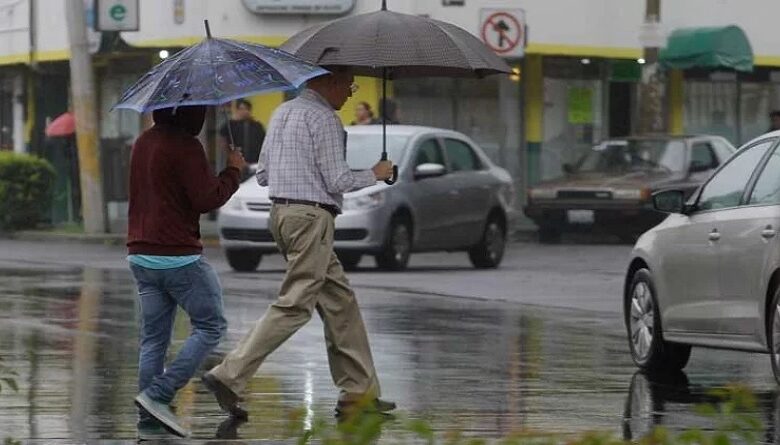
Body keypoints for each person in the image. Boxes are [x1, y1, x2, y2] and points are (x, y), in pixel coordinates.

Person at [202, 66, 396, 419]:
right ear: (329, 82)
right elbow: (338, 180)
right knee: (295, 304)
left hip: (282, 215)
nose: (351, 92)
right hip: (311, 218)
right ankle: (229, 374)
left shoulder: (281, 112)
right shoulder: (324, 119)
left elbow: (263, 175)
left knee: (340, 302)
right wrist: (377, 174)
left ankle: (359, 393)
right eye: (348, 85)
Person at [128, 105, 246, 438]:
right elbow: (207, 197)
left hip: (140, 253)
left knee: (153, 339)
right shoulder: (186, 146)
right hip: (178, 255)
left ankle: (150, 417)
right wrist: (233, 170)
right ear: (189, 115)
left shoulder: (143, 142)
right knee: (211, 326)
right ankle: (159, 394)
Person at [219, 99, 266, 179]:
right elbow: (223, 140)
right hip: (236, 162)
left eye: (246, 109)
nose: (244, 111)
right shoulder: (231, 125)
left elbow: (264, 144)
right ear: (237, 110)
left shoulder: (257, 126)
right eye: (241, 109)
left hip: (254, 163)